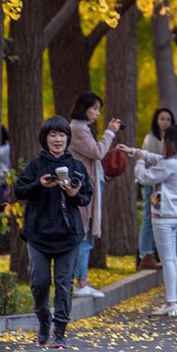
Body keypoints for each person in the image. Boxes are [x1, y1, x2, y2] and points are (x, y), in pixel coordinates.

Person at [15, 116, 93, 349]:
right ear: (45, 138)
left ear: (68, 138)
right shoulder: (35, 165)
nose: (58, 139)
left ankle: (60, 331)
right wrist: (40, 184)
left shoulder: (77, 166)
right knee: (39, 283)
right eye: (53, 135)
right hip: (38, 235)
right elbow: (19, 191)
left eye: (61, 135)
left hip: (68, 236)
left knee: (63, 284)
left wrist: (72, 193)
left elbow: (85, 196)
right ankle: (43, 321)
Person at [119, 125, 177, 316]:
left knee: (168, 260)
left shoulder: (170, 164)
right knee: (174, 260)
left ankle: (171, 302)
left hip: (163, 216)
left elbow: (144, 177)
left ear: (169, 141)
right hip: (175, 215)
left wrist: (139, 162)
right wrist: (134, 151)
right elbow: (158, 158)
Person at [69, 92, 121, 298]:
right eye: (94, 109)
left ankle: (81, 280)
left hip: (90, 185)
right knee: (84, 234)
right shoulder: (78, 130)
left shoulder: (83, 129)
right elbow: (97, 152)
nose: (97, 113)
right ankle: (80, 284)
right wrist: (109, 133)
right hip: (84, 189)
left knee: (88, 234)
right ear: (84, 108)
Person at [138, 108, 175, 269]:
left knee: (162, 218)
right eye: (162, 119)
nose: (165, 122)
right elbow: (149, 161)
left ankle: (158, 253)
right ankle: (145, 253)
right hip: (152, 184)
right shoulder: (151, 139)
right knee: (148, 217)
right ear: (156, 120)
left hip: (166, 185)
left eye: (168, 119)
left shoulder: (173, 138)